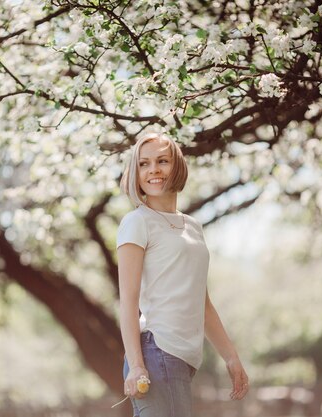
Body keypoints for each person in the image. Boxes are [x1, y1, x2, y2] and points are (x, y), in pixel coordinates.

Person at [116, 132, 249, 417]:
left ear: (177, 166)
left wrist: (231, 357)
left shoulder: (193, 227)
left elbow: (202, 303)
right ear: (136, 173)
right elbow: (128, 301)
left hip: (182, 359)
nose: (153, 170)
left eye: (162, 161)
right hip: (157, 352)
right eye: (144, 164)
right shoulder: (137, 222)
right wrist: (137, 365)